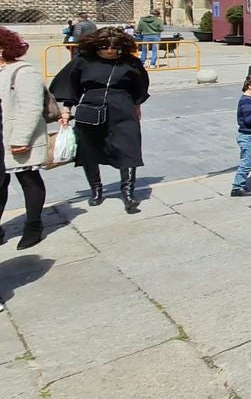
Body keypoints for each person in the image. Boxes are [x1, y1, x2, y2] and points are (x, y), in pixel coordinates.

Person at [50, 27, 149, 213]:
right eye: (105, 46)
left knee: (128, 148)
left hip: (122, 108)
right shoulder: (83, 60)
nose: (110, 50)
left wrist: (137, 106)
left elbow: (140, 86)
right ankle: (96, 189)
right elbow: (70, 85)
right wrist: (65, 111)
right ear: (96, 45)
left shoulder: (131, 63)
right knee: (89, 149)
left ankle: (128, 193)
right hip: (90, 108)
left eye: (114, 47)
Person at [0, 27, 50, 249]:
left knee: (28, 179)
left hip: (16, 135)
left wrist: (21, 138)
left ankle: (33, 226)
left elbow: (31, 108)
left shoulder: (22, 71)